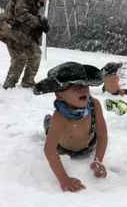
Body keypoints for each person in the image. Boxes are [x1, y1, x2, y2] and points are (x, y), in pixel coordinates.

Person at [34, 62, 108, 192]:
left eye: (85, 85)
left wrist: (98, 160)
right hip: (64, 149)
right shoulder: (60, 116)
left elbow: (102, 134)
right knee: (51, 129)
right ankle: (48, 123)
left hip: (89, 144)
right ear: (59, 95)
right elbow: (49, 149)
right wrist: (63, 178)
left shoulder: (94, 105)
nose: (83, 89)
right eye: (74, 86)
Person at [0, 0, 54, 89]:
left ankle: (28, 81)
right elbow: (21, 14)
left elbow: (28, 17)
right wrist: (38, 22)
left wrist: (40, 25)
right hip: (9, 29)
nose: (45, 0)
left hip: (21, 32)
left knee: (35, 53)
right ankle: (9, 84)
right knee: (20, 56)